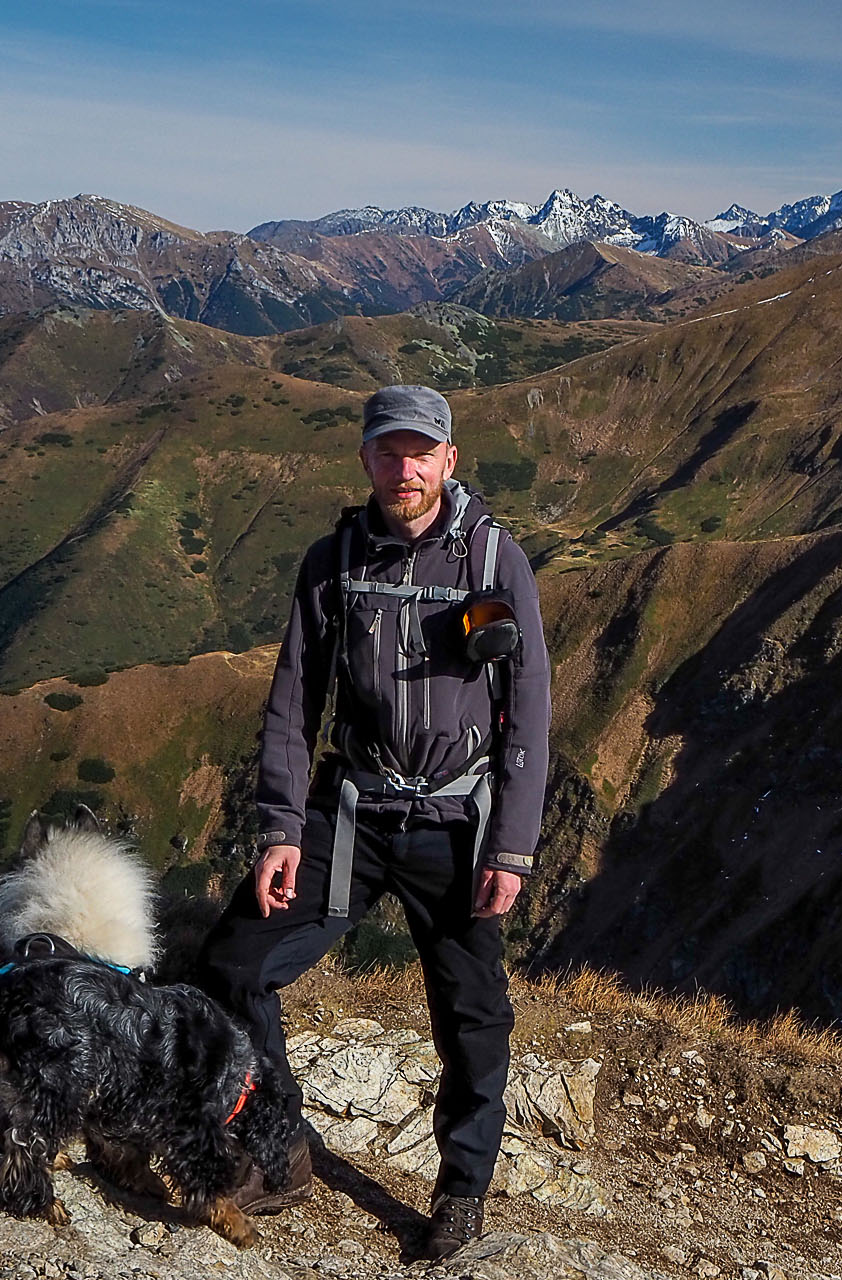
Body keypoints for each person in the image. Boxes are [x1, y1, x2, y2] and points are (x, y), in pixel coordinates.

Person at [198, 384, 550, 1260]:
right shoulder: (333, 561)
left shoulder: (494, 560)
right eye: (389, 452)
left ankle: (461, 1192)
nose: (405, 468)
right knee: (234, 965)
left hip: (456, 824)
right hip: (348, 812)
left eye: (421, 453)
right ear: (366, 459)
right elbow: (293, 702)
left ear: (449, 461)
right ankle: (278, 1146)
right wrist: (282, 827)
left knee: (473, 1017)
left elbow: (529, 713)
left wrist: (511, 844)